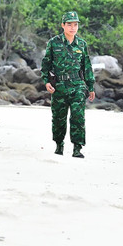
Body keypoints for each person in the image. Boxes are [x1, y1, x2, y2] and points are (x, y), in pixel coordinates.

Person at [40, 11, 96, 159]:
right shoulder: (54, 43)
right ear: (63, 25)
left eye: (75, 24)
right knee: (59, 117)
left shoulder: (82, 44)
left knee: (78, 116)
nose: (73, 27)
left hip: (77, 85)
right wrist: (46, 82)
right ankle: (59, 144)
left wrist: (90, 86)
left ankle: (77, 148)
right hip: (59, 85)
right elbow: (45, 64)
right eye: (69, 24)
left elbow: (87, 67)